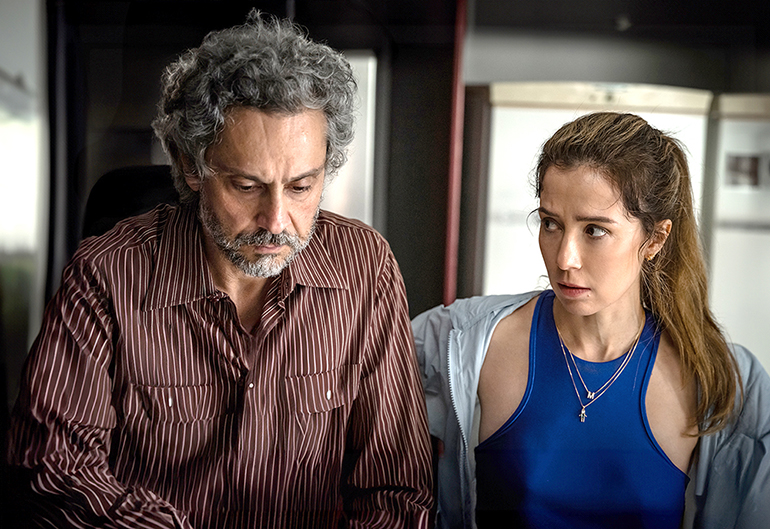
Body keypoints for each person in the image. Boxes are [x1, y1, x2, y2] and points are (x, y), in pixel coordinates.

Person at [8, 11, 433, 528]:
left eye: (301, 187)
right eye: (246, 186)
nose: (276, 221)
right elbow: (52, 469)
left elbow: (397, 492)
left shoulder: (364, 270)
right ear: (192, 165)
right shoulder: (107, 275)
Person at [412, 112, 770, 528]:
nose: (565, 258)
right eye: (551, 224)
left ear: (655, 238)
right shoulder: (459, 340)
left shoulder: (727, 384)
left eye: (595, 230)